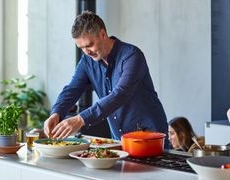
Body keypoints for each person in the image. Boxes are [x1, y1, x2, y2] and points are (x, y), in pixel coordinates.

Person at [44, 11, 168, 145]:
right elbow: (72, 89)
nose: (87, 52)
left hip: (150, 136)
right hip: (119, 139)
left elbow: (120, 94)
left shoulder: (131, 56)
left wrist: (81, 119)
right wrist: (56, 113)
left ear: (103, 34)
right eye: (81, 48)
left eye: (89, 45)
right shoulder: (87, 61)